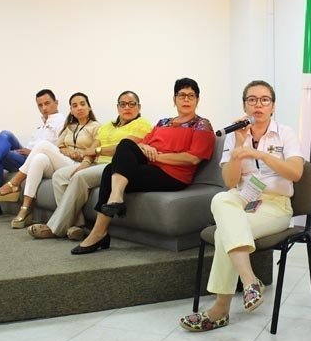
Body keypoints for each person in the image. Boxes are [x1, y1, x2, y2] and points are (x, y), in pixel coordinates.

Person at [179, 80, 304, 332]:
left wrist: (261, 155)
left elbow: (296, 173)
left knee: (225, 230)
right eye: (252, 100)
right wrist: (238, 146)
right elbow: (230, 182)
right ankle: (250, 281)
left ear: (273, 105)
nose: (258, 105)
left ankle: (220, 310)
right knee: (220, 199)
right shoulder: (237, 136)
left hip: (275, 205)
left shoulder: (286, 133)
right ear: (244, 105)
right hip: (242, 200)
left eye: (264, 100)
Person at [70, 77, 215, 255]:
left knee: (113, 165)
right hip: (152, 169)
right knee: (115, 161)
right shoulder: (163, 122)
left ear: (197, 100)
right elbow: (141, 145)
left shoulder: (202, 125)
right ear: (174, 99)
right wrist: (144, 147)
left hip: (174, 176)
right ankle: (107, 216)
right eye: (181, 95)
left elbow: (192, 159)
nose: (186, 99)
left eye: (191, 96)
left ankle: (102, 227)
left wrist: (157, 157)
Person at [26, 91, 152, 240]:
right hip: (96, 163)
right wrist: (85, 163)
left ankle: (55, 228)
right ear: (118, 107)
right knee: (60, 176)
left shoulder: (142, 124)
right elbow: (92, 147)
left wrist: (96, 151)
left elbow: (124, 147)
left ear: (139, 107)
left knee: (79, 177)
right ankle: (77, 226)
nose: (127, 108)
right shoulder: (108, 126)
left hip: (114, 166)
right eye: (123, 104)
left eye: (132, 104)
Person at [0, 92, 100, 229]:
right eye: (74, 106)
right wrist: (67, 151)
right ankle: (26, 207)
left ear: (89, 107)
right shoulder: (69, 127)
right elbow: (60, 145)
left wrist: (79, 153)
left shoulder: (96, 127)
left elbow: (94, 149)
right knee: (39, 158)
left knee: (42, 145)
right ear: (71, 110)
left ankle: (14, 183)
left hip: (79, 164)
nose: (79, 108)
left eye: (83, 104)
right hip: (65, 161)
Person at [0, 89, 65, 220]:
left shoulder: (62, 122)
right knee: (5, 135)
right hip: (26, 156)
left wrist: (32, 152)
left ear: (56, 103)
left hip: (39, 158)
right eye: (40, 105)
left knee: (0, 154)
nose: (44, 108)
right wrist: (26, 150)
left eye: (47, 103)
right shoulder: (41, 124)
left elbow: (60, 149)